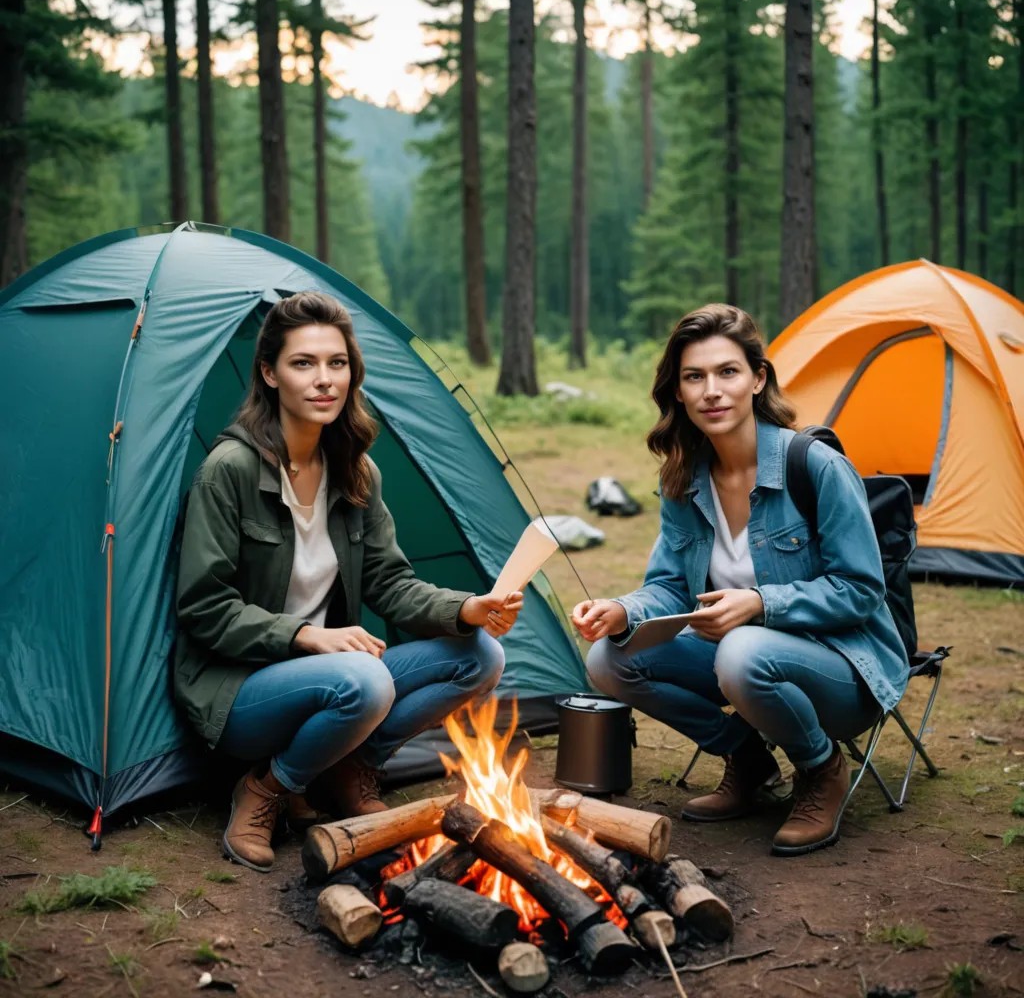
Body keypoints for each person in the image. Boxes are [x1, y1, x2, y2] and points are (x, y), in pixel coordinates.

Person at [173, 291, 522, 872]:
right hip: (238, 690)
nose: (324, 380)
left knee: (481, 656)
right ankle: (266, 787)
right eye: (303, 363)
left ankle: (345, 767)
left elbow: (389, 581)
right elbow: (205, 608)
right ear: (269, 373)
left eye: (337, 363)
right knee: (364, 681)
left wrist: (468, 608)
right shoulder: (228, 470)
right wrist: (308, 636)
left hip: (335, 676)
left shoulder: (356, 471)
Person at [572, 304, 908, 856]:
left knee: (742, 650)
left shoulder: (815, 465)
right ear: (677, 392)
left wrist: (758, 601)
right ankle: (748, 760)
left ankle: (821, 768)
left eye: (727, 372)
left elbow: (862, 590)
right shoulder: (683, 477)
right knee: (610, 659)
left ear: (758, 378)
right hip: (744, 664)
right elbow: (670, 589)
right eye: (694, 376)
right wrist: (621, 610)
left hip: (844, 668)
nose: (712, 391)